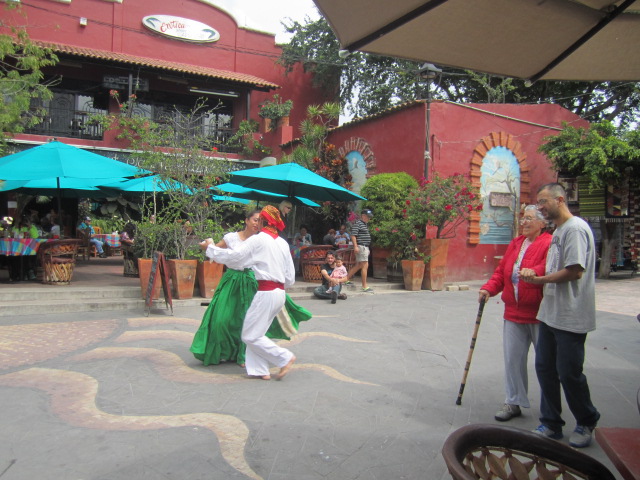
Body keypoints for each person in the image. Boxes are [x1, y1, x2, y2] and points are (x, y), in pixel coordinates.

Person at [520, 183, 600, 448]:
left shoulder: (575, 229)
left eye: (544, 202)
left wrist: (540, 279)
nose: (540, 207)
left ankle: (586, 420)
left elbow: (575, 271)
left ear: (560, 199)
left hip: (571, 316)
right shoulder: (558, 231)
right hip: (550, 314)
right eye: (539, 202)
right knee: (545, 368)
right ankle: (551, 423)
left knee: (569, 373)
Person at [191, 210, 311, 368]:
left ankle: (250, 357)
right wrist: (209, 247)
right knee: (224, 320)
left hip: (253, 281)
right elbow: (222, 254)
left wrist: (210, 248)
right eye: (254, 220)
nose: (256, 223)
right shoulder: (237, 238)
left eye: (259, 220)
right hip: (234, 280)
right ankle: (258, 369)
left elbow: (234, 256)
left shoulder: (260, 240)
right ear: (246, 220)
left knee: (249, 327)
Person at [478, 205, 552, 422]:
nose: (524, 222)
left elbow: (549, 267)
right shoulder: (516, 243)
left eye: (529, 218)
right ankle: (513, 401)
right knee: (513, 360)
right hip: (513, 311)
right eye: (523, 218)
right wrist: (488, 288)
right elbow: (502, 272)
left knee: (545, 363)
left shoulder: (549, 243)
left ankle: (550, 409)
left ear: (542, 223)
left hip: (539, 314)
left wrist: (535, 272)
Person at [346, 209, 373, 292]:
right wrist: (355, 246)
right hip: (361, 246)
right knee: (365, 266)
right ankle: (364, 286)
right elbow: (353, 235)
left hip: (365, 247)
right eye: (368, 217)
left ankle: (346, 278)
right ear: (363, 216)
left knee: (359, 265)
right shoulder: (358, 223)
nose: (369, 219)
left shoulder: (364, 224)